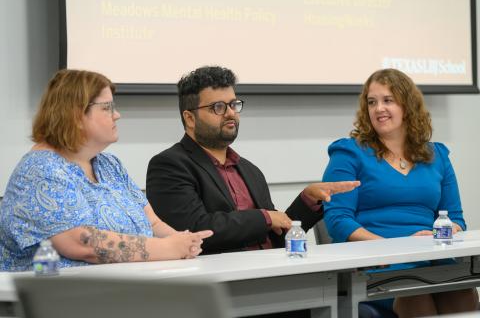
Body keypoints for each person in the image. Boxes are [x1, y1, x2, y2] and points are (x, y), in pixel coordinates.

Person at [0, 69, 212, 272]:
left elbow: (153, 223)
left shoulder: (109, 165)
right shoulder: (40, 170)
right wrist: (168, 248)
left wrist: (184, 243)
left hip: (120, 290)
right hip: (61, 299)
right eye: (107, 108)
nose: (117, 115)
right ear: (74, 114)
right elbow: (82, 244)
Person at [146, 66, 359, 255]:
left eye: (233, 105)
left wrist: (306, 202)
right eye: (218, 107)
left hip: (269, 273)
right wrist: (265, 217)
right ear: (190, 118)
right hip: (221, 284)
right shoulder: (169, 166)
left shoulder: (249, 170)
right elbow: (193, 230)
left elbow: (275, 233)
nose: (230, 114)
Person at [322, 68, 478, 317]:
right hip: (379, 261)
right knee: (415, 294)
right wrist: (394, 247)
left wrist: (438, 235)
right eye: (371, 102)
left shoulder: (437, 155)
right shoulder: (350, 152)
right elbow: (337, 220)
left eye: (388, 100)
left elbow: (456, 219)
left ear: (407, 105)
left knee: (462, 291)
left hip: (432, 259)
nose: (378, 109)